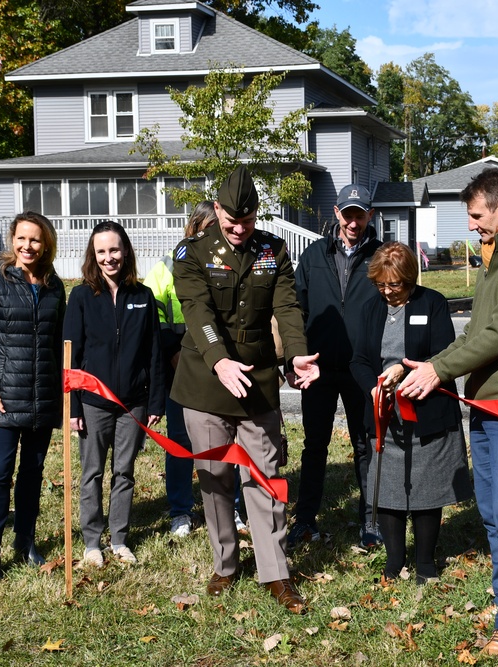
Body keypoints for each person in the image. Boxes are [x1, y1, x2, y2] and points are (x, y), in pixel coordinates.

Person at [398, 167, 498, 656]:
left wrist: (438, 373)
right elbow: (475, 331)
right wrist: (433, 363)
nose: (471, 225)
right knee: (489, 510)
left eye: (476, 215)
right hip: (483, 400)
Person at [172, 165, 320, 614]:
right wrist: (219, 360)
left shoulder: (272, 251)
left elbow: (287, 307)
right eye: (232, 221)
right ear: (216, 210)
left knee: (266, 476)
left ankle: (275, 571)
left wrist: (295, 354)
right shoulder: (191, 253)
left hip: (256, 383)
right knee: (215, 479)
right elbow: (197, 312)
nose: (239, 230)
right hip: (205, 382)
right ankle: (225, 563)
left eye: (248, 221)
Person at [350, 242, 473, 584]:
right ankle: (393, 561)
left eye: (395, 285)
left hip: (427, 409)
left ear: (409, 279)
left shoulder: (431, 303)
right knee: (388, 488)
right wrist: (373, 388)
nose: (388, 292)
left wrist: (404, 373)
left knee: (425, 489)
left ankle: (425, 563)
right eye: (381, 285)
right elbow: (359, 360)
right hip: (384, 411)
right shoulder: (369, 309)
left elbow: (443, 355)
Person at [0, 212, 66, 584]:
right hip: (3, 400)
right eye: (21, 239)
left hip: (42, 399)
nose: (27, 246)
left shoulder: (55, 286)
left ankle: (25, 541)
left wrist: (60, 394)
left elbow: (58, 345)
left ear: (46, 243)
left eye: (35, 240)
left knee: (33, 473)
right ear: (13, 241)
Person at [144, 201, 247, 538]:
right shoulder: (166, 267)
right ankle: (180, 510)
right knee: (180, 443)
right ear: (192, 228)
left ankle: (231, 507)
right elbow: (153, 320)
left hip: (219, 370)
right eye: (202, 229)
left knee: (225, 443)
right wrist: (175, 354)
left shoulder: (229, 264)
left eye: (213, 230)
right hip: (180, 370)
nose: (208, 235)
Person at [289, 183, 384, 548]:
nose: (354, 222)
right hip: (319, 369)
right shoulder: (313, 256)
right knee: (315, 446)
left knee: (366, 444)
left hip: (363, 370)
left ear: (369, 215)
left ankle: (371, 522)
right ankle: (306, 520)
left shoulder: (381, 256)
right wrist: (294, 357)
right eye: (348, 214)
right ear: (336, 213)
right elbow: (295, 310)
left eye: (361, 214)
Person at [66, 221, 164, 566]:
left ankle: (119, 539)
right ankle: (92, 542)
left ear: (125, 251)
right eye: (102, 251)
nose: (109, 257)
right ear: (94, 256)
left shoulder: (143, 296)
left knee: (124, 471)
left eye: (114, 250)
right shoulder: (80, 297)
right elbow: (72, 356)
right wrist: (74, 405)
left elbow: (154, 352)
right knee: (91, 472)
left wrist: (155, 401)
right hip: (93, 402)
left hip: (133, 403)